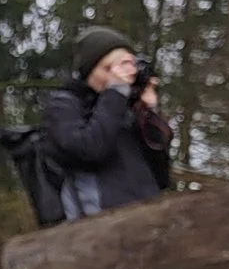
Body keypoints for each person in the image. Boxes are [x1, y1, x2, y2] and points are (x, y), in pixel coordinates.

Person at [40, 26, 174, 221]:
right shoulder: (64, 105)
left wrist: (148, 111)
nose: (121, 75)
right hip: (98, 224)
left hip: (150, 217)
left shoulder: (125, 108)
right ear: (90, 71)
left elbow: (161, 175)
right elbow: (89, 149)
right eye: (109, 68)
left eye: (128, 65)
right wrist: (115, 93)